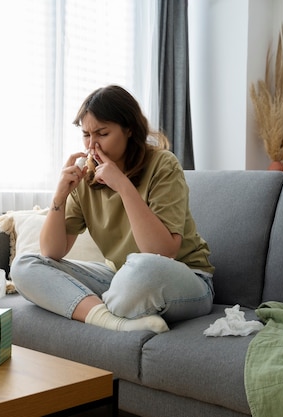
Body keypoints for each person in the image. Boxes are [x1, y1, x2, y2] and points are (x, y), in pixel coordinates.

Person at [11, 85, 214, 333]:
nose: (92, 145)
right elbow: (51, 251)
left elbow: (161, 251)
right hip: (120, 279)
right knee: (24, 265)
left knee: (142, 270)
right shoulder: (85, 176)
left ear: (129, 129)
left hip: (181, 277)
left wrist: (122, 185)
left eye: (102, 134)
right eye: (86, 135)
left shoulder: (163, 164)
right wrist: (60, 196)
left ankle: (105, 303)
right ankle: (109, 319)